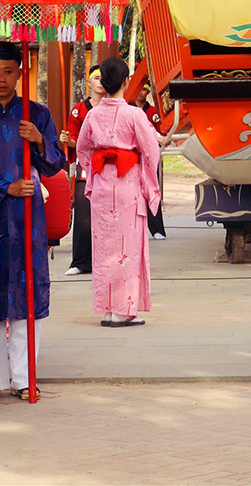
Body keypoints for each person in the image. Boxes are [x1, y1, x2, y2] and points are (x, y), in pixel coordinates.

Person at [0, 41, 65, 400]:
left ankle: (24, 377)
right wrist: (6, 186)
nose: (1, 79)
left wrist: (38, 142)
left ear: (20, 72)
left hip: (27, 219)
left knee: (25, 296)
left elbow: (55, 165)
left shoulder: (37, 114)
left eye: (8, 71)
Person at [77, 58, 163, 328]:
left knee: (104, 249)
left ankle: (107, 309)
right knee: (127, 248)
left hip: (103, 184)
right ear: (126, 82)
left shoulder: (92, 114)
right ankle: (124, 311)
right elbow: (152, 151)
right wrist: (149, 182)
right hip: (127, 186)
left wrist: (94, 173)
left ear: (102, 84)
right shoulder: (135, 115)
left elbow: (83, 149)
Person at [59, 64, 104, 276]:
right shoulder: (79, 110)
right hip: (87, 166)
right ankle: (80, 261)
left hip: (111, 167)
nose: (100, 82)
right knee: (84, 215)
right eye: (96, 78)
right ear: (89, 83)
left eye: (104, 78)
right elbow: (73, 139)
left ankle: (106, 260)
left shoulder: (117, 107)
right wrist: (68, 141)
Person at [134, 80, 168, 240]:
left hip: (148, 156)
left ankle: (157, 228)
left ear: (148, 92)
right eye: (139, 88)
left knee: (152, 190)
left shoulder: (153, 111)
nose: (141, 92)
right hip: (131, 156)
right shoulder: (127, 109)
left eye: (145, 89)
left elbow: (160, 132)